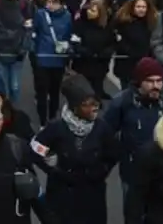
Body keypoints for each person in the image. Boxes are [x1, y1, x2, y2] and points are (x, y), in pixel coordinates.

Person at [30, 75, 119, 224]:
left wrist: (101, 170)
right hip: (62, 195)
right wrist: (52, 165)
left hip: (92, 195)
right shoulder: (56, 128)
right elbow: (35, 149)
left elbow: (114, 154)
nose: (94, 109)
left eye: (95, 104)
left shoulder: (102, 128)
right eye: (87, 105)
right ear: (75, 107)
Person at [103, 57, 163, 189]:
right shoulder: (122, 103)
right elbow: (105, 134)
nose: (155, 86)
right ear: (139, 82)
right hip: (133, 172)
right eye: (150, 81)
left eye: (159, 81)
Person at [32, 0, 71, 125]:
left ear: (61, 4)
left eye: (54, 2)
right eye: (48, 1)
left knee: (55, 91)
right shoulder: (40, 14)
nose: (50, 5)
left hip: (59, 59)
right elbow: (34, 32)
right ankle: (43, 122)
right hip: (43, 57)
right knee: (42, 92)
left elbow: (69, 35)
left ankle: (53, 117)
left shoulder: (67, 16)